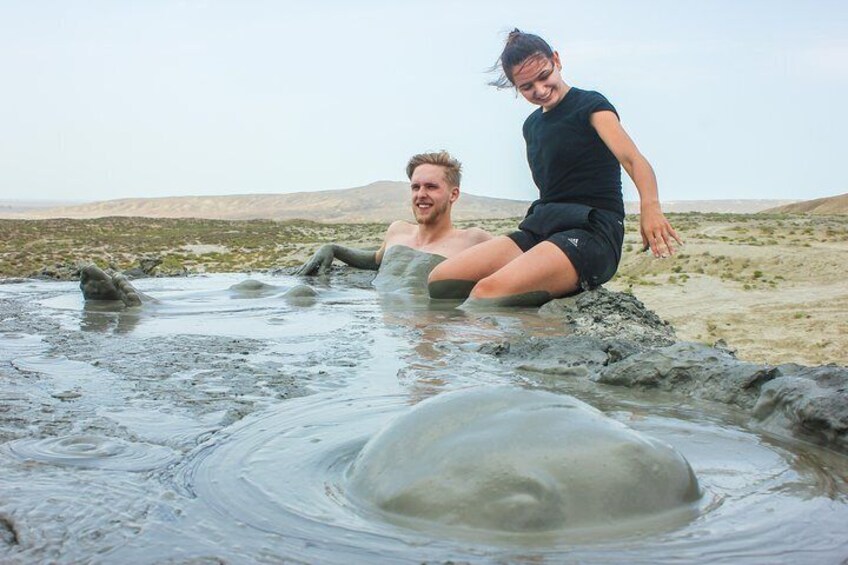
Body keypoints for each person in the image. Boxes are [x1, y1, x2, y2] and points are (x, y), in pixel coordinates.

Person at [427, 30, 682, 307]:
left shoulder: (591, 106)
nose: (539, 90)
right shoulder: (532, 126)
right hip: (543, 228)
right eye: (526, 87)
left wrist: (651, 208)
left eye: (544, 76)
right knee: (441, 281)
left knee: (486, 293)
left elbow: (633, 159)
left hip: (591, 232)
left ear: (557, 61)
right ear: (515, 86)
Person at [296, 150, 491, 276]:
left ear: (453, 194)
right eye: (416, 187)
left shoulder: (474, 240)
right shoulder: (398, 231)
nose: (421, 194)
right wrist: (334, 249)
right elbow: (375, 261)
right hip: (384, 333)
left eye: (431, 187)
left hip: (436, 328)